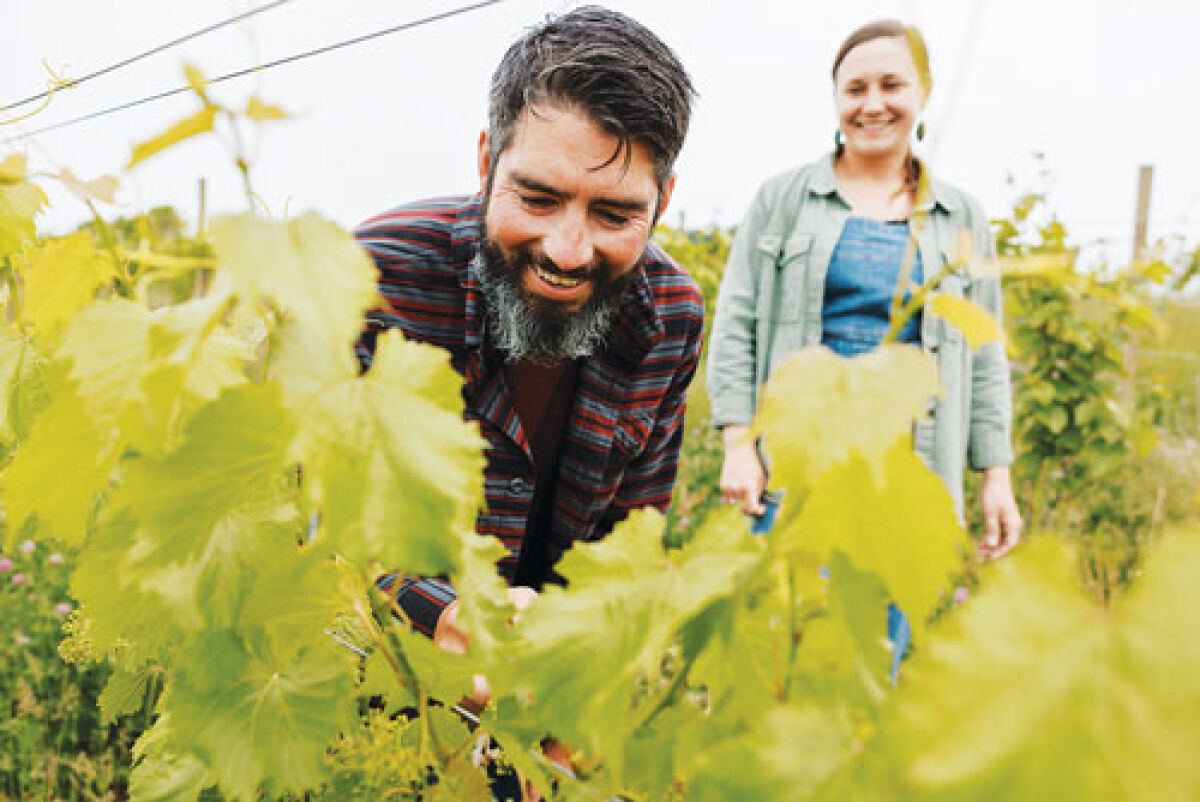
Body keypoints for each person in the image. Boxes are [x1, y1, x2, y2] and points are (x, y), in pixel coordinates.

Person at [354, 7, 701, 653]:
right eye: (539, 199)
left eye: (614, 214)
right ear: (488, 160)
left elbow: (631, 544)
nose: (568, 251)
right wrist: (444, 618)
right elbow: (327, 518)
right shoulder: (377, 276)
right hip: (379, 663)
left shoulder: (671, 318)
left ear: (664, 200)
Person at [707, 19, 1022, 558]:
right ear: (836, 100)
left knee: (888, 611)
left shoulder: (961, 215)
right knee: (792, 605)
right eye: (855, 89)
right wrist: (739, 444)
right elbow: (737, 323)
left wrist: (997, 476)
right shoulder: (782, 200)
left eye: (891, 85)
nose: (873, 104)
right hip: (796, 467)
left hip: (911, 474)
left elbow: (984, 354)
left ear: (923, 93)